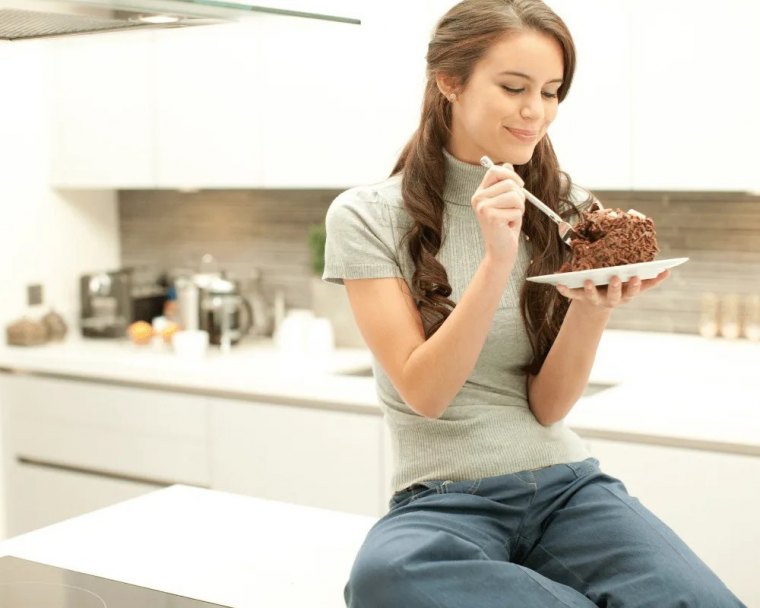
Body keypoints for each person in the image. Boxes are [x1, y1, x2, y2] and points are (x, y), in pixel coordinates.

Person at [322, 1, 745, 606]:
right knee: (384, 579)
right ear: (449, 81)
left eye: (551, 92)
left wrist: (594, 306)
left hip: (567, 488)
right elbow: (426, 394)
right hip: (443, 501)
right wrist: (496, 261)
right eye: (514, 87)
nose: (535, 112)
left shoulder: (570, 210)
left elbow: (549, 408)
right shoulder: (366, 216)